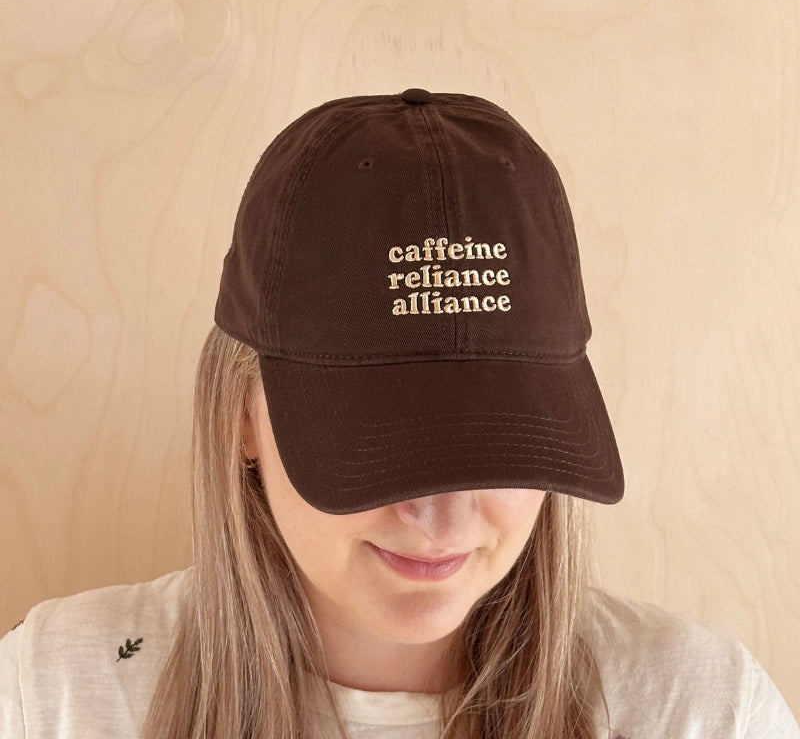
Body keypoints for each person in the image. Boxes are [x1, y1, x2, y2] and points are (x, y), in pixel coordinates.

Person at [1, 88, 797, 739]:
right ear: (242, 416)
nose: (440, 517)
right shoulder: (53, 697)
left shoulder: (704, 712)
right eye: (385, 445)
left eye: (499, 443)